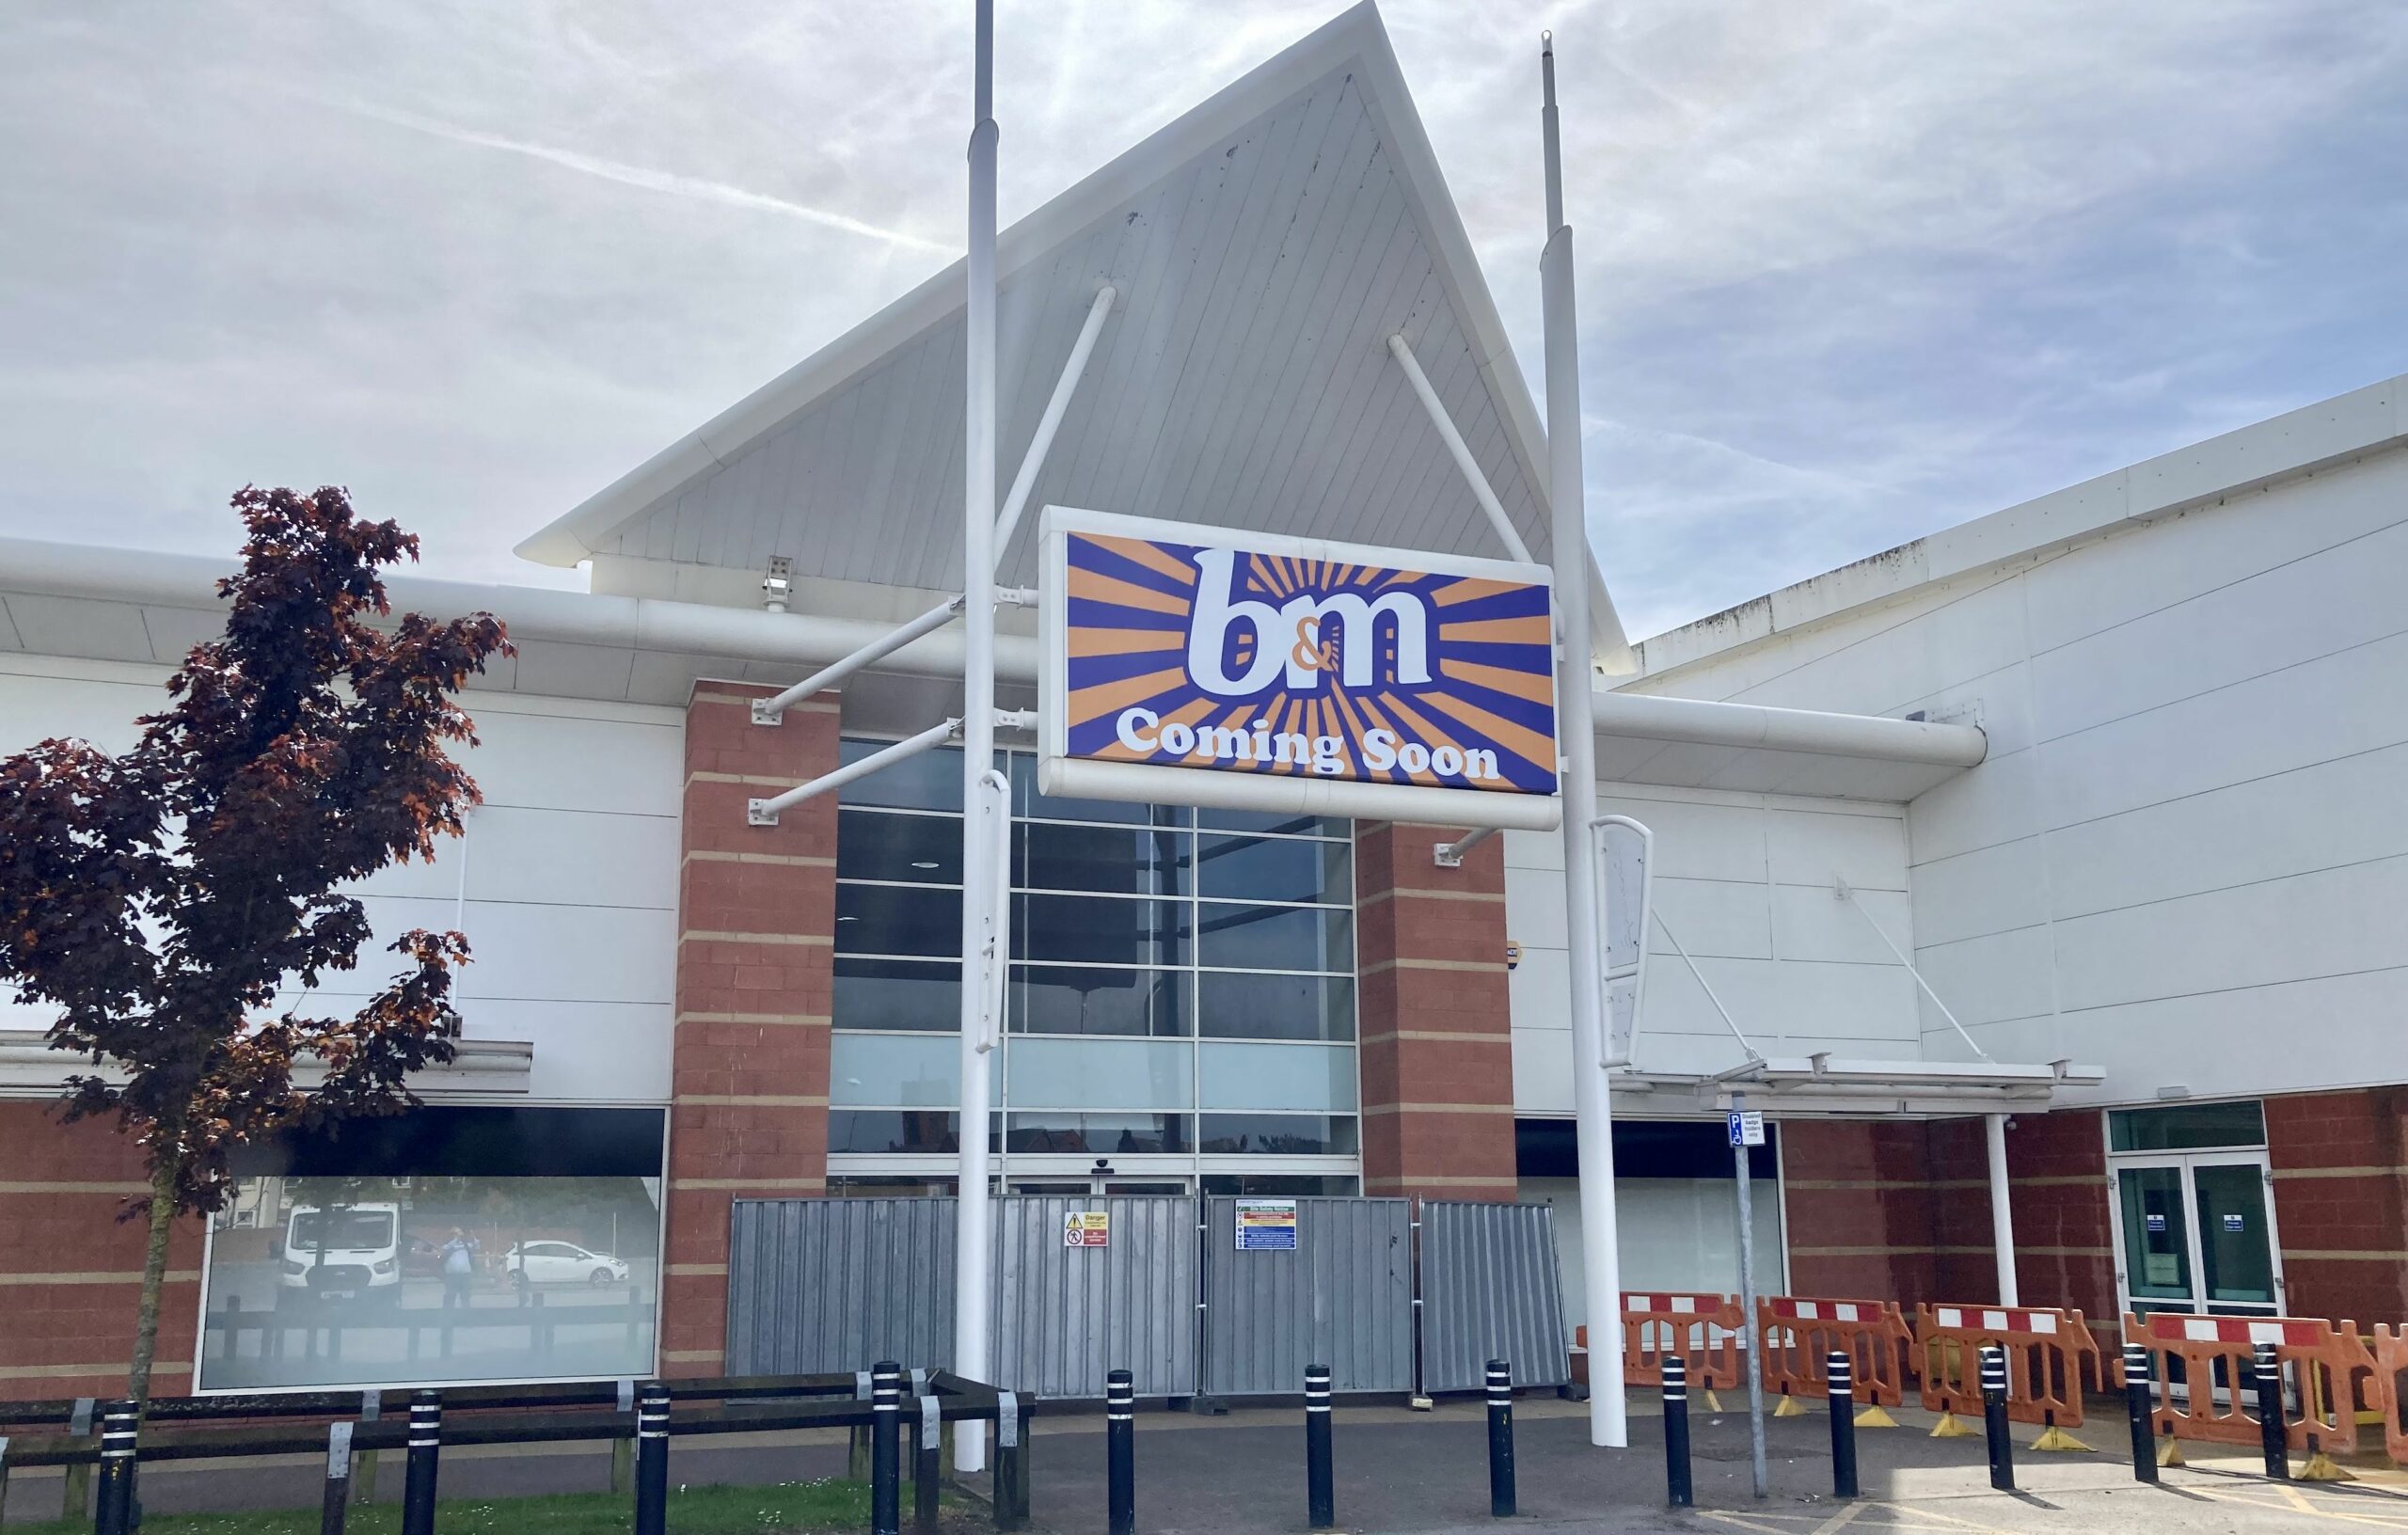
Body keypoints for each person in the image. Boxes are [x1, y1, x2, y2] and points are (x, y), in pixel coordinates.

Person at [439, 1227, 479, 1309]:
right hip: (451, 1276)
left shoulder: (465, 1245)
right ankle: (448, 1315)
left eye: (460, 1232)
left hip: (465, 1275)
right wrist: (456, 1239)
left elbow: (477, 1246)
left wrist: (473, 1236)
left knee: (465, 1297)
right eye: (457, 1233)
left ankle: (466, 1315)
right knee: (450, 1297)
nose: (460, 1234)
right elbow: (445, 1249)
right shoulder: (448, 1244)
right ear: (452, 1234)